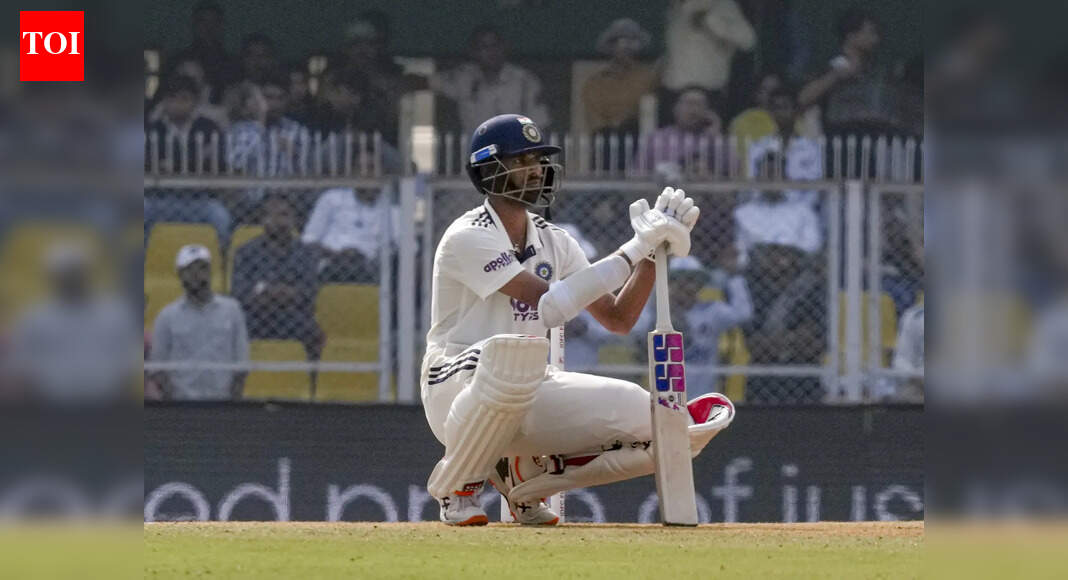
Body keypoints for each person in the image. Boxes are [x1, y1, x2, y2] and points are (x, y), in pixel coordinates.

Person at [421, 113, 734, 526]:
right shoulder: (467, 236)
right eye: (520, 161)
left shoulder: (555, 239)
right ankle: (457, 485)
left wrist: (654, 253)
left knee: (661, 423)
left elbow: (618, 318)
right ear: (488, 171)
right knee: (511, 355)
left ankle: (526, 486)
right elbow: (549, 305)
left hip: (529, 383)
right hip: (455, 385)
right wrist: (632, 248)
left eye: (537, 159)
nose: (534, 169)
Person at [3, 243, 139, 402]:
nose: (71, 279)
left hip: (106, 404)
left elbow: (128, 362)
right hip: (49, 406)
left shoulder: (115, 313)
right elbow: (22, 365)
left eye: (75, 273)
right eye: (65, 274)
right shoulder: (35, 317)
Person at [636, 252, 752, 395]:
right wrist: (653, 293)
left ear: (700, 285)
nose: (684, 286)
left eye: (690, 280)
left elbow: (743, 314)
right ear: (668, 284)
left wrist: (735, 277)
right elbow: (637, 327)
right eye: (677, 281)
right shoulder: (656, 313)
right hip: (663, 399)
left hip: (702, 397)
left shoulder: (712, 311)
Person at [149, 244, 249, 401]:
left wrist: (233, 402)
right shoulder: (167, 316)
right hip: (182, 403)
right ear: (180, 274)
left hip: (222, 401)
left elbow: (241, 363)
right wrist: (172, 402)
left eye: (202, 268)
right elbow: (158, 367)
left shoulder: (232, 310)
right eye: (189, 269)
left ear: (209, 271)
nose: (196, 274)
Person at [232, 196, 323, 360]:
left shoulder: (305, 253)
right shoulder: (246, 252)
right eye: (272, 215)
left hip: (292, 315)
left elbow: (309, 292)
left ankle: (313, 380)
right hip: (256, 315)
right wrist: (279, 293)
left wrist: (267, 291)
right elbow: (240, 293)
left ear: (293, 219)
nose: (279, 221)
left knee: (314, 332)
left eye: (284, 214)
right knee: (235, 327)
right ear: (263, 220)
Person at [431, 27, 552, 138]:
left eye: (495, 46)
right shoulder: (463, 78)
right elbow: (426, 82)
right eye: (484, 47)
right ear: (473, 52)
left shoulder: (525, 81)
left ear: (504, 48)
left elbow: (541, 125)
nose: (491, 52)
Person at [661, 0, 755, 120]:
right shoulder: (674, 7)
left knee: (709, 138)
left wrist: (710, 20)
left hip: (708, 93)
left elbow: (748, 40)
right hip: (672, 93)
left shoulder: (722, 4)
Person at [582, 18, 658, 137]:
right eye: (618, 43)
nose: (624, 48)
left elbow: (649, 109)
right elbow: (594, 119)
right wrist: (612, 127)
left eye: (630, 43)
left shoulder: (648, 78)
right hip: (606, 141)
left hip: (639, 139)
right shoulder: (595, 83)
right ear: (611, 48)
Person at [302, 187, 391, 282]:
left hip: (370, 267)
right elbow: (309, 239)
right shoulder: (333, 198)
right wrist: (336, 255)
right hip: (332, 261)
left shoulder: (390, 206)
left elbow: (392, 246)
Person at [641, 86, 722, 177]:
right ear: (675, 108)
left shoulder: (713, 138)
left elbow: (734, 172)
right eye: (688, 104)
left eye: (699, 104)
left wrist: (715, 137)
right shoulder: (657, 139)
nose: (693, 110)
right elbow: (637, 175)